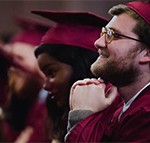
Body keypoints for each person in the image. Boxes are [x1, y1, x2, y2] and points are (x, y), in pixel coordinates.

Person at [65, 0, 150, 142]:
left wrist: (82, 116)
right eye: (103, 32)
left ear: (147, 54)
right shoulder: (114, 100)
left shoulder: (146, 114)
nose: (98, 42)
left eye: (114, 35)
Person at [31, 10, 108, 143]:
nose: (45, 85)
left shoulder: (113, 119)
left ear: (83, 67)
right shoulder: (58, 115)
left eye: (51, 72)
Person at [0, 17, 49, 142]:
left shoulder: (51, 106)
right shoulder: (20, 103)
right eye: (11, 60)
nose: (13, 67)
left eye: (19, 58)